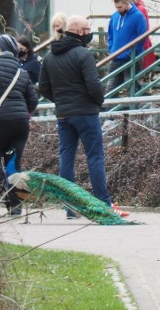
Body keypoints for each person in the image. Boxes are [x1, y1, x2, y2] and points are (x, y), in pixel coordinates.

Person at [39, 15, 128, 219]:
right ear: (80, 32)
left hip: (63, 114)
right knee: (95, 157)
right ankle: (103, 204)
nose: (90, 33)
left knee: (66, 158)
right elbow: (94, 85)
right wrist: (97, 102)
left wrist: (60, 100)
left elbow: (43, 87)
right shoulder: (83, 54)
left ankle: (70, 206)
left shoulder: (50, 56)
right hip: (86, 112)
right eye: (88, 29)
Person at [0, 34, 38, 212]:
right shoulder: (22, 71)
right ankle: (16, 206)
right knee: (13, 163)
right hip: (20, 124)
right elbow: (33, 100)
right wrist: (21, 111)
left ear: (0, 50)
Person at [106, 0, 148, 95]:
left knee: (132, 87)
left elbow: (142, 37)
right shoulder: (115, 16)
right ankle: (110, 110)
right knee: (110, 88)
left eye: (120, 7)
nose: (118, 9)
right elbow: (110, 35)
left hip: (132, 58)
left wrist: (132, 52)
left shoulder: (138, 16)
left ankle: (134, 109)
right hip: (116, 57)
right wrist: (112, 49)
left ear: (127, 3)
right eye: (116, 7)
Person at [119, 0, 156, 73]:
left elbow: (142, 31)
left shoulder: (139, 10)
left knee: (133, 75)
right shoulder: (130, 9)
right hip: (131, 46)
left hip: (137, 47)